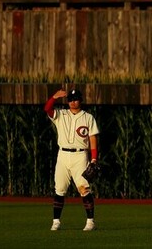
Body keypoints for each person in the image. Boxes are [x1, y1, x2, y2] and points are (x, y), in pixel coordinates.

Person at [44, 88, 100, 231]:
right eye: (70, 99)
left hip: (80, 155)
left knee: (84, 188)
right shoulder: (61, 114)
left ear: (80, 100)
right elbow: (47, 108)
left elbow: (92, 138)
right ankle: (56, 221)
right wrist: (54, 97)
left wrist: (94, 159)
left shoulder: (88, 117)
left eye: (75, 99)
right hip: (62, 155)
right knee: (60, 189)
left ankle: (90, 221)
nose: (72, 102)